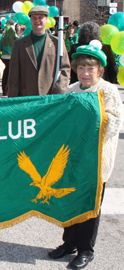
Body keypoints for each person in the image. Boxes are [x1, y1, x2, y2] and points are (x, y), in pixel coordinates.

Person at [48, 45, 124, 270]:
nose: (85, 72)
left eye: (90, 68)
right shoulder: (72, 90)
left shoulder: (108, 91)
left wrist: (86, 122)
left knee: (90, 205)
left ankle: (85, 250)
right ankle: (69, 243)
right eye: (81, 67)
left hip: (95, 160)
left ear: (99, 70)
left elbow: (113, 124)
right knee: (71, 201)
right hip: (73, 160)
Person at [7, 5, 70, 97]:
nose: (37, 21)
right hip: (26, 99)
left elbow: (65, 70)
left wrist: (57, 93)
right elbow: (13, 75)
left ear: (46, 19)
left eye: (40, 17)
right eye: (34, 18)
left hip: (50, 98)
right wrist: (12, 100)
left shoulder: (57, 43)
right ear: (30, 20)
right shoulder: (19, 45)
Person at [0, 20, 18, 96]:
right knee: (12, 75)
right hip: (13, 58)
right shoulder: (16, 38)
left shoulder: (2, 39)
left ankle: (4, 91)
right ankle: (11, 91)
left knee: (4, 75)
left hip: (4, 58)